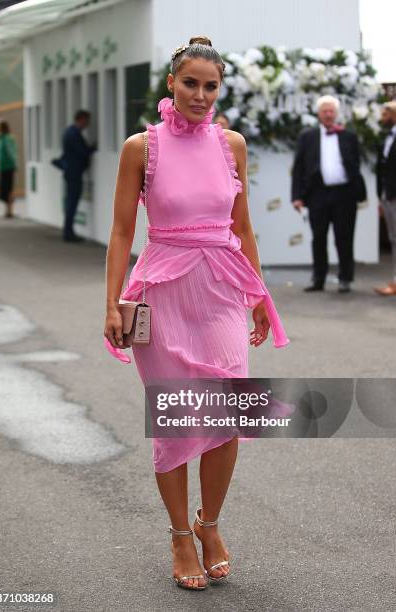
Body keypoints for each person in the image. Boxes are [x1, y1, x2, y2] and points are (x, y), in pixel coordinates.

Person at [103, 36, 291, 591]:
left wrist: (259, 297)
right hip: (163, 288)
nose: (201, 95)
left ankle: (210, 524)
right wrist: (111, 303)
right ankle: (181, 535)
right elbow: (119, 231)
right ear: (171, 84)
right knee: (179, 416)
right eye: (191, 83)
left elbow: (243, 227)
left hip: (222, 288)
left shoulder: (232, 144)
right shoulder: (142, 147)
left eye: (211, 86)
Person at [291, 95, 366, 293]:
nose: (328, 114)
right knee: (318, 237)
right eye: (325, 110)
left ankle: (345, 279)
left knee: (344, 237)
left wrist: (358, 191)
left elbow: (355, 165)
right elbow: (298, 168)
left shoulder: (349, 136)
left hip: (344, 194)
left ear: (337, 113)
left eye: (331, 110)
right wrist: (297, 196)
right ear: (318, 114)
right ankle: (318, 279)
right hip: (317, 194)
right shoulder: (307, 136)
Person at [61, 110, 97, 242]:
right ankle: (68, 233)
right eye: (86, 120)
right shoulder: (74, 134)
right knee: (72, 201)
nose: (87, 124)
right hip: (74, 172)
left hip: (71, 171)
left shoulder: (69, 132)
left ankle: (68, 231)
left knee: (70, 201)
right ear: (81, 119)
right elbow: (81, 151)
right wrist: (91, 149)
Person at [374, 101, 396, 296]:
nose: (383, 117)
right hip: (389, 196)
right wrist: (381, 196)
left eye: (386, 113)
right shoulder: (388, 137)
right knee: (394, 239)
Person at [0, 120, 17, 219]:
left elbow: (11, 152)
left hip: (8, 167)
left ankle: (10, 211)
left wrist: (14, 164)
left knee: (8, 189)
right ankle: (7, 210)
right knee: (4, 189)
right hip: (3, 167)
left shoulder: (7, 139)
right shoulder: (1, 138)